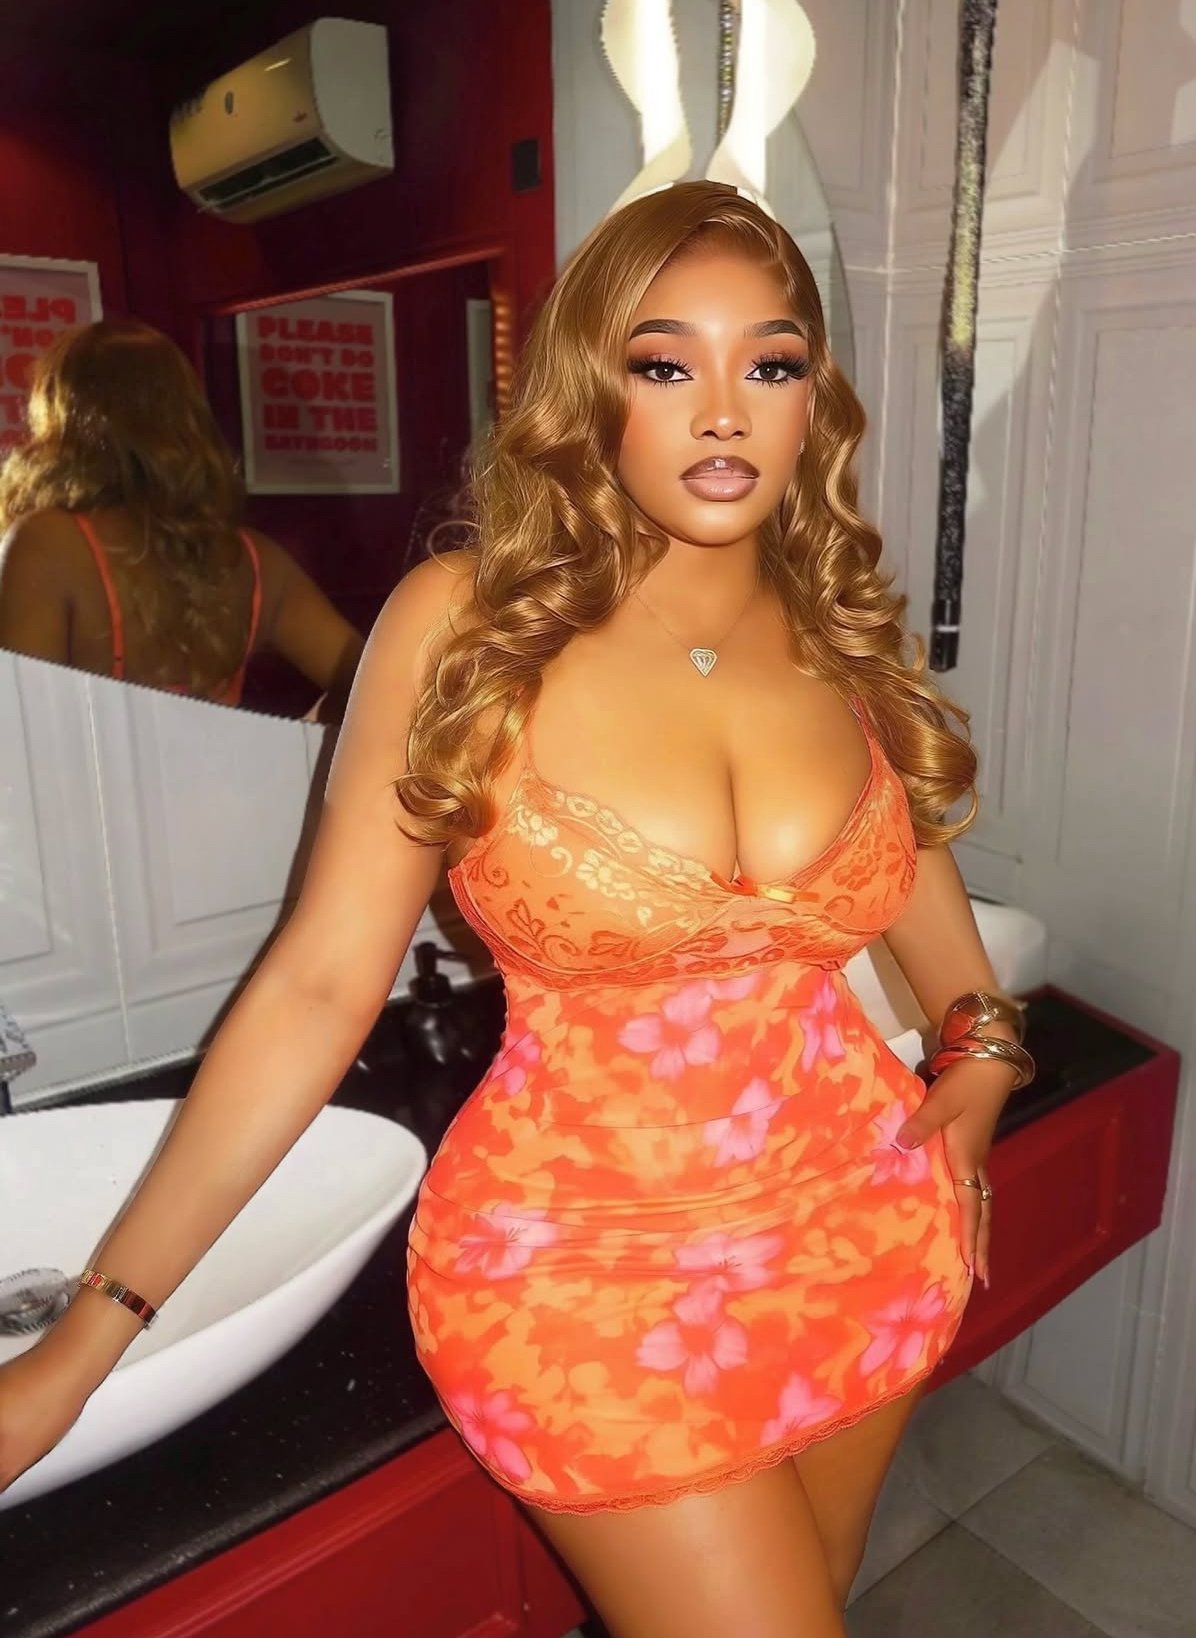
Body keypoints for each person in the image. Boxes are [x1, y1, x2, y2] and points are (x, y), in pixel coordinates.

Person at [0, 184, 1031, 1637]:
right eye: (663, 363)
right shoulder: (466, 624)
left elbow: (922, 906)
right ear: (591, 388)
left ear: (815, 401)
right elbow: (316, 989)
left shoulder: (837, 632)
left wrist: (981, 1056)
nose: (722, 410)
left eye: (771, 363)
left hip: (864, 1236)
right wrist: (85, 1340)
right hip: (583, 1281)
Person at [0, 320, 364, 716]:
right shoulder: (257, 561)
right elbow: (380, 684)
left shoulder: (47, 545)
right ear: (188, 413)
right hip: (226, 761)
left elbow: (17, 727)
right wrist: (296, 743)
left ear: (58, 418)